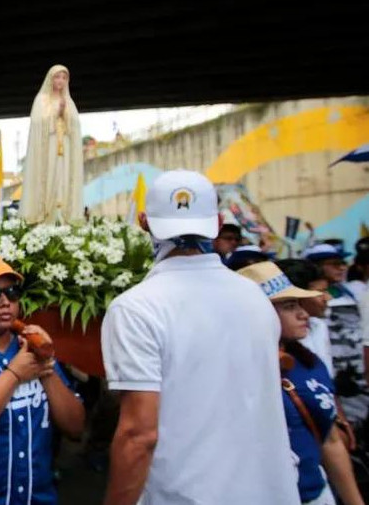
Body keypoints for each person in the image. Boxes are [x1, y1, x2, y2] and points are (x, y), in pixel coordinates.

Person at [101, 169, 298, 505]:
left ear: (144, 221)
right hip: (272, 491)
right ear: (219, 223)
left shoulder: (135, 308)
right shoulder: (256, 298)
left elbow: (138, 435)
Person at [0, 253, 85, 505]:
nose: (5, 302)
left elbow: (75, 426)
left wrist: (45, 365)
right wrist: (14, 374)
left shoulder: (30, 346)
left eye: (12, 292)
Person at [238, 262, 365, 505]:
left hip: (315, 493)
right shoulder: (232, 374)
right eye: (288, 306)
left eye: (298, 304)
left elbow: (330, 440)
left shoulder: (308, 362)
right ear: (256, 313)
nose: (303, 313)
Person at [305, 243, 369, 428]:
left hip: (356, 378)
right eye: (334, 263)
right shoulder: (311, 301)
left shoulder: (348, 293)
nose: (342, 267)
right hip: (334, 379)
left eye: (342, 263)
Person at [20, 64, 84, 223]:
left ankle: (63, 217)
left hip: (64, 148)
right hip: (48, 147)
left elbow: (75, 126)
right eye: (57, 77)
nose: (60, 81)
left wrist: (64, 113)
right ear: (51, 79)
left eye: (64, 78)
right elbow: (37, 122)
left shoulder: (69, 102)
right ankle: (45, 216)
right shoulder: (42, 100)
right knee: (49, 179)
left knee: (62, 179)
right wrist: (56, 112)